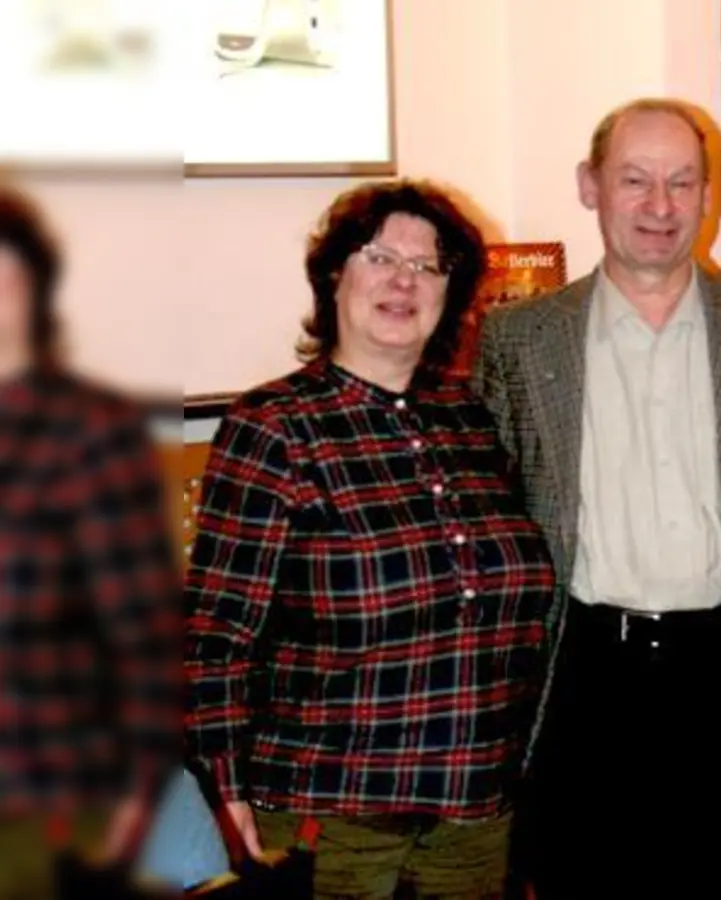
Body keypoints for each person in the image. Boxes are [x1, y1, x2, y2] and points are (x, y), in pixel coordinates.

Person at [474, 97, 721, 900]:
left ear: (709, 194)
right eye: (635, 180)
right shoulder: (521, 339)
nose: (660, 206)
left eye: (682, 182)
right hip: (582, 676)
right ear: (590, 185)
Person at [184, 179, 556, 899]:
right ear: (335, 276)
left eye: (427, 266)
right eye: (380, 257)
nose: (402, 281)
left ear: (450, 293)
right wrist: (223, 787)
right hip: (333, 818)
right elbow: (217, 635)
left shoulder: (473, 420)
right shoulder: (275, 427)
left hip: (475, 813)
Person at [0, 184, 181, 900]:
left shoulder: (89, 431)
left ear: (35, 294)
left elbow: (144, 635)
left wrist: (138, 790)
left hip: (46, 795)